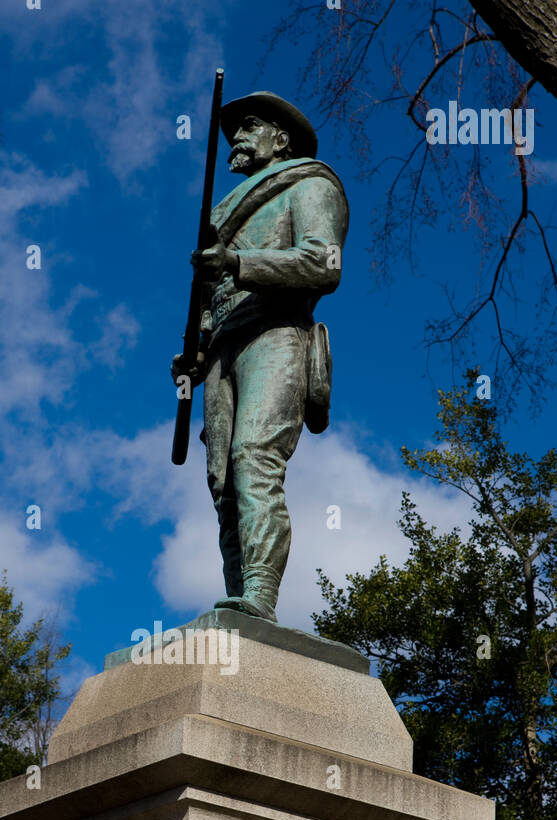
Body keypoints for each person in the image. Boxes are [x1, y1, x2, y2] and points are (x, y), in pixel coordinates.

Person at [172, 92, 348, 621]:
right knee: (222, 483)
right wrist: (194, 359)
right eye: (233, 131)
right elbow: (208, 309)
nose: (238, 138)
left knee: (254, 457)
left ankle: (260, 597)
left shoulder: (311, 183)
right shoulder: (222, 216)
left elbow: (325, 263)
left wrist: (238, 261)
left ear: (282, 138)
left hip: (276, 333)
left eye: (249, 127)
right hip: (224, 348)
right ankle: (238, 603)